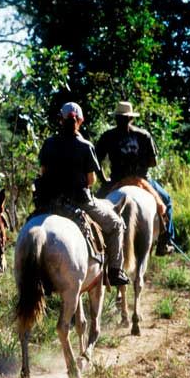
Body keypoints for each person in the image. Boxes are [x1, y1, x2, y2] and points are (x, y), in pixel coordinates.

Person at [35, 102, 130, 286]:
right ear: (81, 120)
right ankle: (115, 271)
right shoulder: (85, 146)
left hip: (50, 202)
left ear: (60, 120)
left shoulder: (49, 143)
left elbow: (43, 173)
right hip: (80, 201)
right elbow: (91, 180)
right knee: (116, 224)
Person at [95, 101, 175, 255]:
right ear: (131, 118)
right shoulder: (143, 135)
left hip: (117, 180)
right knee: (166, 201)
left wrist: (104, 180)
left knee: (96, 206)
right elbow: (153, 162)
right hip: (142, 180)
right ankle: (165, 242)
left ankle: (96, 242)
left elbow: (96, 161)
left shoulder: (108, 136)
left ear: (116, 118)